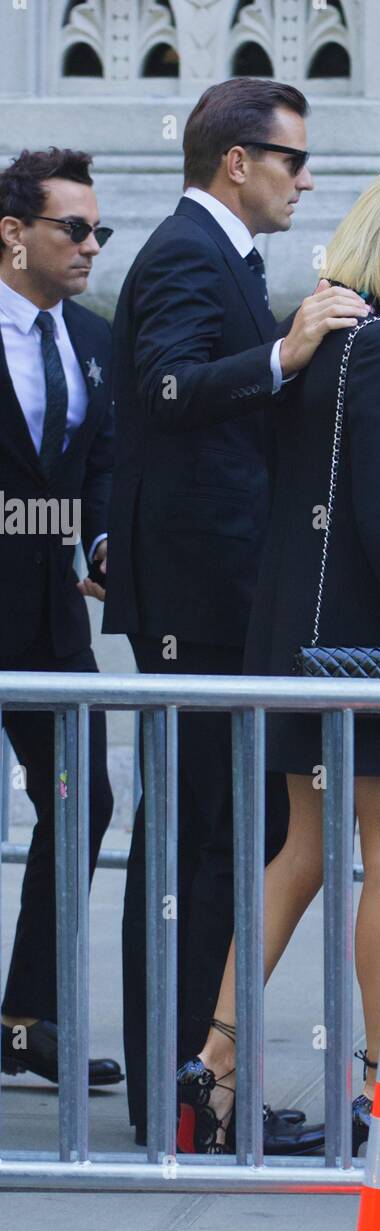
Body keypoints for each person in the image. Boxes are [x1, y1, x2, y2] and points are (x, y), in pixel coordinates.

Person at [175, 166, 380, 1154]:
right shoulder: (376, 347)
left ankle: (210, 1071)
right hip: (357, 643)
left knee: (301, 850)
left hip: (293, 632)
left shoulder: (313, 336)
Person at [103, 77, 372, 1154]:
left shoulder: (218, 256)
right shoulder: (182, 252)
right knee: (203, 842)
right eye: (293, 161)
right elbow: (164, 389)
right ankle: (185, 1095)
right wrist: (285, 353)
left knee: (224, 835)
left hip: (218, 588)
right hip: (198, 596)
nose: (306, 179)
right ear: (236, 163)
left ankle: (194, 1087)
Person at [0, 147, 121, 1089]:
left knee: (83, 800)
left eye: (96, 230)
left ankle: (23, 1018)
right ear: (14, 235)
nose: (90, 246)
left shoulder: (90, 338)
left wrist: (111, 542)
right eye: (72, 229)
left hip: (50, 624)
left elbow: (101, 469)